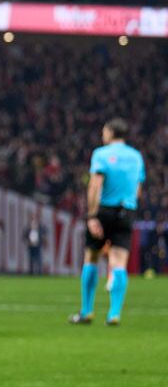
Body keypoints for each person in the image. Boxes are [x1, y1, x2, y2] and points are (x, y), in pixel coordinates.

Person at [70, 118, 145, 326]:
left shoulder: (101, 154)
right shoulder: (136, 157)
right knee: (119, 262)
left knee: (91, 256)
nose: (103, 135)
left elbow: (95, 185)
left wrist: (92, 215)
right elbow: (138, 190)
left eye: (104, 131)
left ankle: (86, 312)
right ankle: (114, 314)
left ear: (111, 132)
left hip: (104, 210)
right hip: (127, 211)